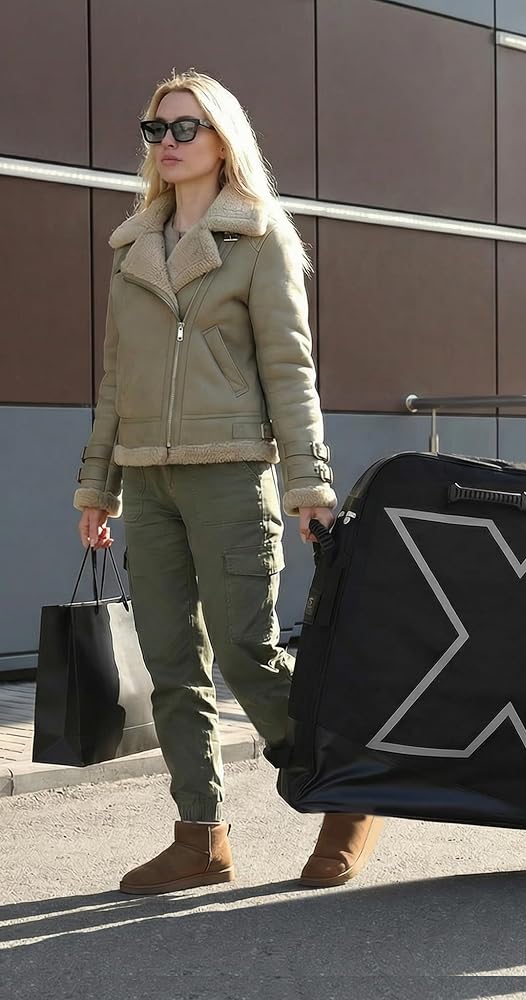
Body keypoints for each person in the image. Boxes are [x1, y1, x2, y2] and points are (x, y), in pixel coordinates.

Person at [74, 70, 383, 895]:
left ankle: (346, 788)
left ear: (222, 139)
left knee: (247, 651)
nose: (169, 143)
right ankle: (200, 837)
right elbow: (115, 380)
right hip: (149, 480)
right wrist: (97, 485)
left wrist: (310, 484)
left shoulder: (260, 237)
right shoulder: (132, 247)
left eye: (187, 128)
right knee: (172, 664)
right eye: (157, 130)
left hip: (232, 474)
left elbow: (289, 368)